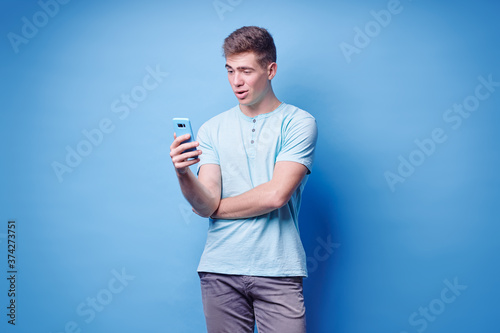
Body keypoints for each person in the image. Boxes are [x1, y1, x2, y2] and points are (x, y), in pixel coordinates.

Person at [170, 26, 317, 333]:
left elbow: (276, 195)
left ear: (271, 69)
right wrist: (183, 173)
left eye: (246, 71)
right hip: (219, 268)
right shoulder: (211, 129)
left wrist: (214, 209)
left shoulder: (298, 123)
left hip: (278, 268)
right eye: (230, 70)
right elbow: (204, 197)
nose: (236, 81)